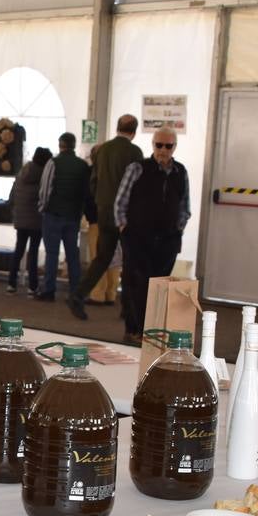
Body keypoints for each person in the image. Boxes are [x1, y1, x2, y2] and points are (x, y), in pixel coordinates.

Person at [116, 128, 190, 345]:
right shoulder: (137, 168)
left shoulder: (180, 171)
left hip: (167, 240)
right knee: (136, 284)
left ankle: (153, 331)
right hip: (137, 238)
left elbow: (185, 204)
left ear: (174, 147)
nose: (163, 150)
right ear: (153, 145)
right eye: (159, 145)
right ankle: (134, 330)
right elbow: (120, 201)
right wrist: (123, 227)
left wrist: (179, 227)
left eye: (168, 146)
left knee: (159, 287)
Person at [70, 114, 142, 320]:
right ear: (134, 132)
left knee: (102, 258)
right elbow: (136, 186)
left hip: (103, 211)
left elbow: (93, 181)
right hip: (125, 214)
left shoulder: (103, 150)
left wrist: (101, 201)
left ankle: (78, 295)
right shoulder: (135, 152)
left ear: (117, 127)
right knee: (129, 260)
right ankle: (127, 308)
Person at [35, 131, 90, 301]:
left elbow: (46, 188)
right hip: (73, 216)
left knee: (52, 254)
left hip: (53, 214)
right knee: (72, 254)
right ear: (73, 145)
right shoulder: (83, 165)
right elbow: (85, 192)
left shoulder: (54, 162)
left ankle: (49, 290)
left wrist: (42, 208)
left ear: (60, 145)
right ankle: (75, 292)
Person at [6, 147, 51, 294]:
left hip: (20, 219)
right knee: (33, 252)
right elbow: (44, 197)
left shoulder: (22, 172)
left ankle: (11, 284)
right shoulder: (44, 175)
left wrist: (15, 212)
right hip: (36, 220)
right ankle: (32, 286)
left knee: (18, 250)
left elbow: (12, 196)